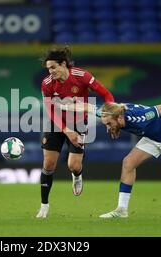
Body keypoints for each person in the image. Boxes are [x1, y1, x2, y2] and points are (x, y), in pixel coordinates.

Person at [37, 45, 115, 218]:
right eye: (48, 68)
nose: (50, 71)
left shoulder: (82, 76)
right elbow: (49, 110)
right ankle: (44, 205)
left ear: (63, 64)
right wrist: (66, 130)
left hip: (79, 123)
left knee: (74, 165)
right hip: (56, 123)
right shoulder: (47, 84)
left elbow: (106, 94)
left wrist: (110, 112)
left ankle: (77, 175)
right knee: (48, 164)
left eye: (53, 67)